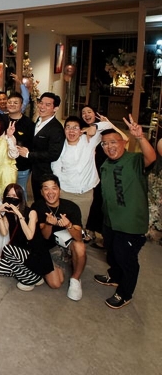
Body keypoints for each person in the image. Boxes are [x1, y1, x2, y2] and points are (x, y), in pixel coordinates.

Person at [94, 117, 156, 309]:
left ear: (124, 142)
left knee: (126, 258)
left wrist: (141, 138)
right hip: (111, 221)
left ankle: (125, 293)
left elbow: (151, 158)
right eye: (105, 144)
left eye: (113, 142)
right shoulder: (106, 164)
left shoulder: (134, 160)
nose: (109, 147)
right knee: (111, 253)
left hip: (130, 224)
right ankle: (114, 276)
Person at [32, 174, 86, 301]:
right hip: (50, 247)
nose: (50, 192)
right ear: (41, 192)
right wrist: (48, 224)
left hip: (68, 245)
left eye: (54, 188)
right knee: (55, 283)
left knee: (80, 246)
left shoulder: (71, 207)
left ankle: (75, 279)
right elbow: (45, 236)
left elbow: (79, 237)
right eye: (46, 188)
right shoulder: (37, 207)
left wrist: (69, 225)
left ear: (59, 190)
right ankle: (61, 263)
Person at [80, 106, 128, 246]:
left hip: (106, 171)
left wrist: (109, 123)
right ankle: (91, 232)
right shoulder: (83, 130)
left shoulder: (104, 131)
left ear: (96, 114)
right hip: (91, 171)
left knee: (103, 202)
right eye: (83, 113)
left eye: (89, 112)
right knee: (95, 202)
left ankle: (104, 235)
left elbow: (125, 139)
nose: (86, 114)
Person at [51, 116, 103, 233]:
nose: (71, 131)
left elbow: (107, 126)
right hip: (65, 192)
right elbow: (56, 169)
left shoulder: (88, 140)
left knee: (80, 225)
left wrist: (95, 126)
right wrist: (60, 188)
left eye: (75, 128)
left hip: (85, 193)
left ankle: (79, 241)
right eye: (68, 127)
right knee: (63, 225)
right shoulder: (60, 146)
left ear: (81, 130)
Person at [0, 183, 48, 290]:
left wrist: (19, 215)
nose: (11, 198)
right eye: (9, 196)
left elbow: (29, 236)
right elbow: (4, 232)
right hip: (19, 252)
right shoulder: (8, 214)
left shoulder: (31, 212)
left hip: (33, 252)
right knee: (0, 268)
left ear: (20, 197)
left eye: (15, 196)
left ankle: (29, 280)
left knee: (7, 249)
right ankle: (34, 276)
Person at [17, 92, 65, 202]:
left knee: (45, 202)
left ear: (55, 108)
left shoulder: (56, 128)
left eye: (47, 105)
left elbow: (53, 154)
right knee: (37, 200)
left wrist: (29, 154)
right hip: (35, 171)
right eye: (41, 103)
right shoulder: (38, 121)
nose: (42, 107)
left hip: (46, 173)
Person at [5, 91, 34, 201]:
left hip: (21, 166)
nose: (12, 104)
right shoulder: (2, 120)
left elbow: (32, 143)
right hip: (4, 165)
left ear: (21, 105)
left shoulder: (28, 123)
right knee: (5, 191)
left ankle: (22, 210)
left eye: (15, 102)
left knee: (20, 191)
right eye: (10, 102)